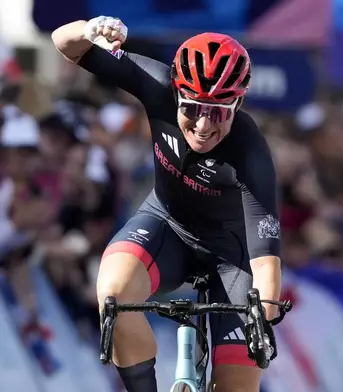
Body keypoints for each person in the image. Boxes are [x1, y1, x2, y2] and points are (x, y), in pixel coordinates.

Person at [51, 16, 282, 392]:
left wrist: (264, 311)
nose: (204, 125)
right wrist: (89, 29)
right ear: (176, 92)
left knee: (238, 380)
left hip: (232, 255)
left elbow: (266, 257)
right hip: (166, 227)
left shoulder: (250, 150)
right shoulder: (157, 83)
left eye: (219, 113)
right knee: (113, 294)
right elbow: (64, 42)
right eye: (192, 108)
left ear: (238, 104)